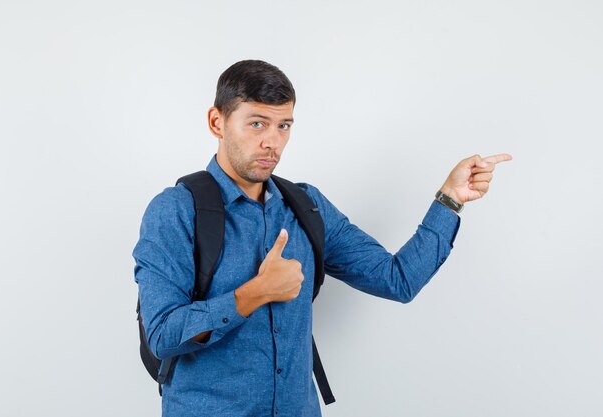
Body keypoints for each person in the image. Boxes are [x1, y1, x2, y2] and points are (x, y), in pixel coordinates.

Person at [132, 59, 512, 417]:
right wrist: (256, 292)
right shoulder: (176, 210)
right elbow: (163, 335)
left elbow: (398, 280)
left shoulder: (306, 206)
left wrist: (449, 200)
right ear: (217, 121)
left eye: (284, 126)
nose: (273, 143)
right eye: (257, 124)